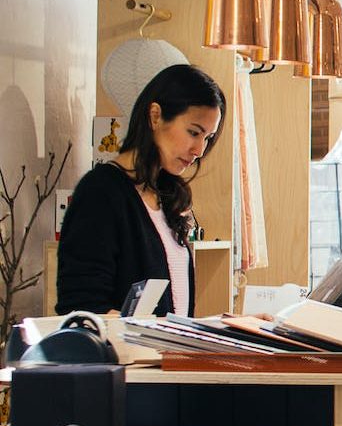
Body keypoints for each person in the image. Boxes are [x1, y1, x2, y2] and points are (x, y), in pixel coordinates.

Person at [57, 64, 225, 317]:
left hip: (166, 356)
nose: (199, 150)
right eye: (193, 132)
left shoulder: (168, 197)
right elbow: (81, 308)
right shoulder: (100, 192)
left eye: (208, 138)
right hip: (124, 356)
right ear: (155, 116)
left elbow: (176, 318)